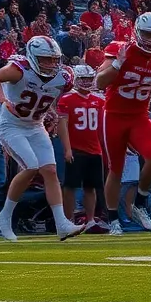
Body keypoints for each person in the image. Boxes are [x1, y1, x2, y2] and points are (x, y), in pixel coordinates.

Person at [0, 36, 87, 241]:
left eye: (54, 59)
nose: (51, 64)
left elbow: (45, 95)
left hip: (36, 126)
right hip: (11, 126)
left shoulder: (63, 77)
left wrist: (50, 110)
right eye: (45, 59)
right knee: (31, 166)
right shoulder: (19, 69)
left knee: (50, 171)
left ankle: (61, 224)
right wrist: (3, 100)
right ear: (33, 57)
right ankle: (4, 217)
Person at [95, 11, 151, 235]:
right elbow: (100, 82)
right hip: (113, 114)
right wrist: (118, 64)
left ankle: (140, 203)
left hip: (139, 115)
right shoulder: (120, 49)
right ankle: (113, 220)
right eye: (148, 34)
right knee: (116, 169)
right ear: (138, 31)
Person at [57, 65, 105, 228]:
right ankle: (68, 220)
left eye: (89, 79)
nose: (86, 82)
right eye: (83, 79)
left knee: (91, 187)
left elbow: (100, 128)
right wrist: (67, 148)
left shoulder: (99, 100)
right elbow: (62, 125)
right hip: (76, 149)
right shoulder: (67, 99)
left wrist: (103, 148)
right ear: (76, 80)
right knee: (70, 186)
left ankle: (90, 220)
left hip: (94, 149)